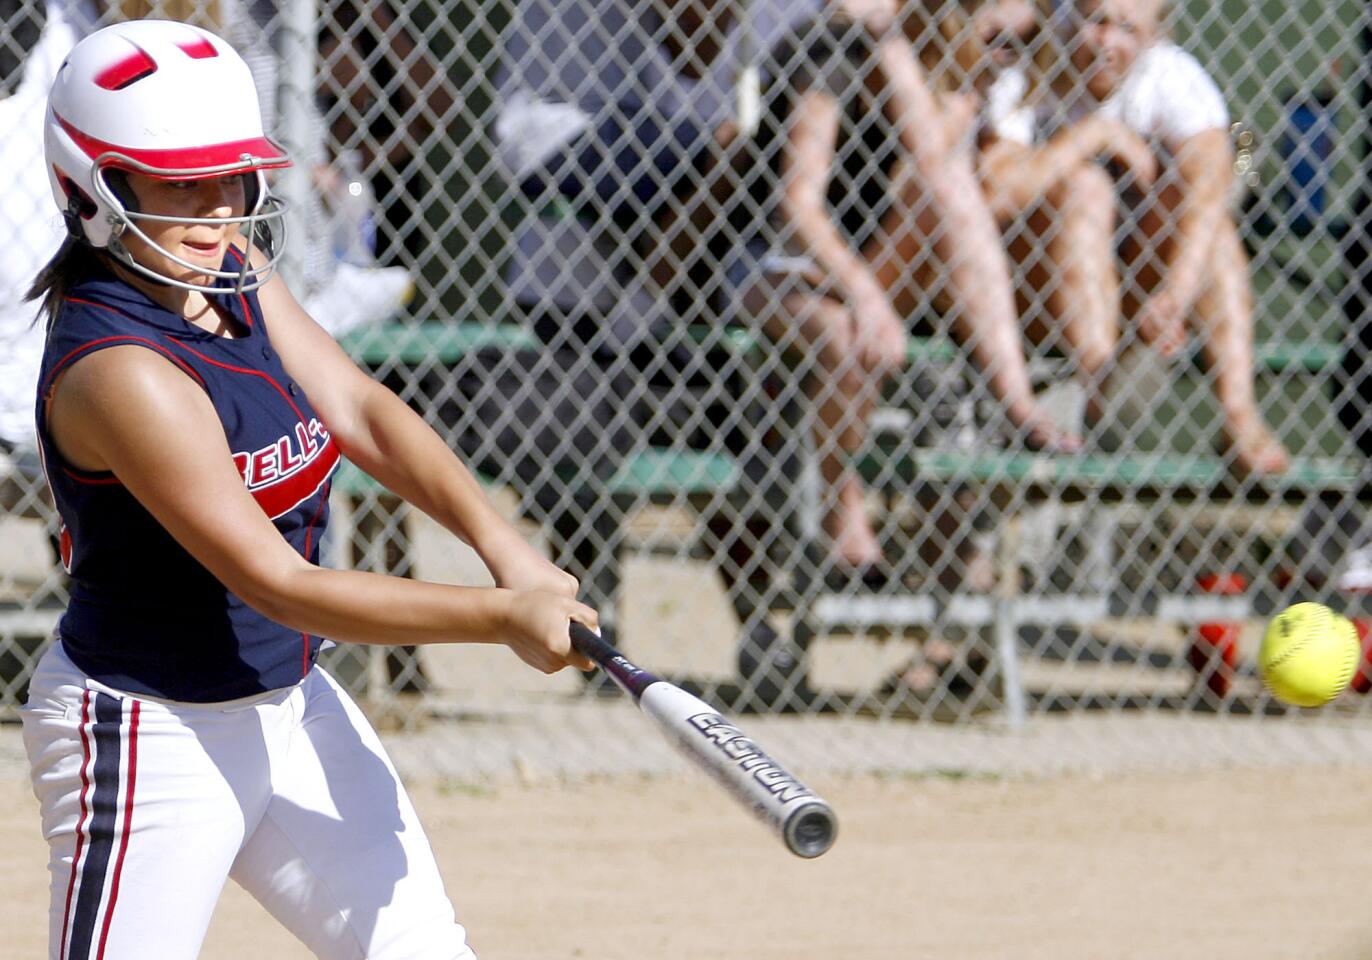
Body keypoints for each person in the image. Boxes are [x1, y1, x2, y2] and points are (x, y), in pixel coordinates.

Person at [21, 21, 595, 958]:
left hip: (286, 702)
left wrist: (511, 549)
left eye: (229, 177)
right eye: (178, 182)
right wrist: (499, 616)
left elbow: (361, 410)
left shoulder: (228, 271)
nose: (216, 210)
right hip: (151, 732)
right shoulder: (118, 368)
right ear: (93, 188)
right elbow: (275, 581)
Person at [736, 0, 1078, 584]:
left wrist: (925, 70)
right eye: (995, 34)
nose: (1005, 57)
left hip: (876, 268)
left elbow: (930, 163)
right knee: (848, 336)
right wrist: (865, 296)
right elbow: (797, 207)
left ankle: (1016, 397)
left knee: (951, 189)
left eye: (1019, 45)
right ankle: (841, 500)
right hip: (783, 264)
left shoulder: (951, 81)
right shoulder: (832, 54)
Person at [981, 0, 1289, 474]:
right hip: (1029, 284)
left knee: (1217, 228)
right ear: (1069, 17)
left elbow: (1227, 161)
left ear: (1152, 36)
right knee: (1087, 189)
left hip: (1135, 275)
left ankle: (1239, 415)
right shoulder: (1030, 61)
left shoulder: (1176, 77)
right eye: (1095, 21)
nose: (1106, 42)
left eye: (1126, 27)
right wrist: (1093, 135)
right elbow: (995, 190)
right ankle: (1100, 380)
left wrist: (1176, 294)